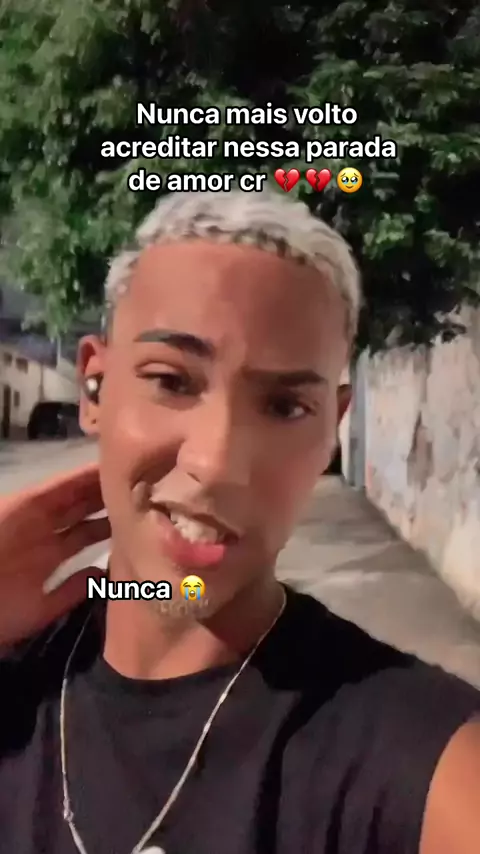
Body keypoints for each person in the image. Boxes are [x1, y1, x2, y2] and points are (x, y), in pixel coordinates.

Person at [0, 188, 479, 854]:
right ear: (94, 387)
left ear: (332, 429)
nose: (217, 462)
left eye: (285, 406)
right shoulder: (16, 679)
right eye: (171, 380)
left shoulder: (417, 756)